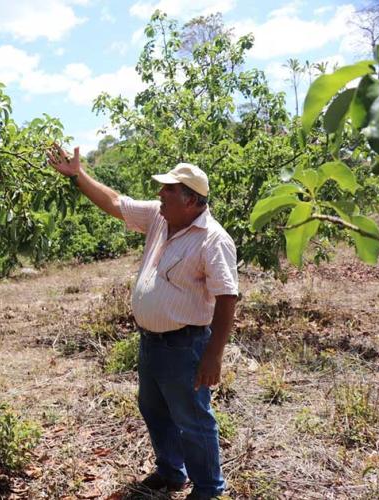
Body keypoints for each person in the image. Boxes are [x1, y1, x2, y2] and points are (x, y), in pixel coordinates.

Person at [48, 146, 238, 500]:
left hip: (186, 345)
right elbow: (116, 202)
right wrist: (78, 175)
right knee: (153, 408)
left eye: (168, 189)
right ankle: (171, 472)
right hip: (152, 342)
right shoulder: (160, 218)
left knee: (193, 419)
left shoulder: (213, 239)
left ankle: (210, 489)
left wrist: (214, 356)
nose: (160, 195)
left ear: (192, 200)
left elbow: (227, 298)